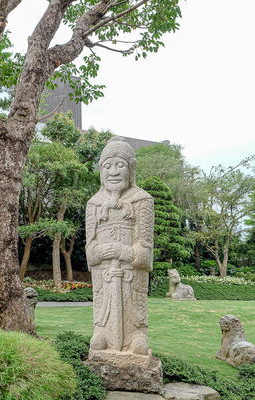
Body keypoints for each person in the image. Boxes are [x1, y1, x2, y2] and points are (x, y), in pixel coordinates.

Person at [85, 137, 154, 355]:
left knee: (138, 336)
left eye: (120, 165)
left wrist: (121, 252)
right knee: (99, 337)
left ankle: (136, 334)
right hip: (104, 277)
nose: (113, 171)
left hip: (131, 277)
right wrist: (101, 252)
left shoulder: (142, 201)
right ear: (100, 171)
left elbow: (145, 256)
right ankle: (103, 332)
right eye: (107, 166)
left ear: (131, 169)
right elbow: (89, 254)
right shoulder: (94, 204)